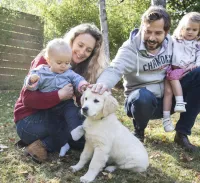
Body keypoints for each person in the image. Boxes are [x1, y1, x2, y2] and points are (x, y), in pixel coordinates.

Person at [91, 6, 200, 152]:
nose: (152, 37)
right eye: (148, 31)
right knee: (143, 96)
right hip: (141, 104)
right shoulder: (130, 48)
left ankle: (182, 134)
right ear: (142, 27)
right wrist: (102, 84)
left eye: (158, 33)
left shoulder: (173, 43)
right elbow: (114, 68)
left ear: (166, 32)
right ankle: (138, 131)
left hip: (169, 99)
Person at [14, 23, 108, 163]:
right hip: (29, 121)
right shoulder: (46, 60)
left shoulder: (78, 68)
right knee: (77, 125)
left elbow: (80, 101)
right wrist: (59, 95)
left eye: (88, 50)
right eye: (80, 45)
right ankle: (44, 144)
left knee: (84, 125)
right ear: (71, 41)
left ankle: (50, 142)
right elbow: (27, 99)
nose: (82, 52)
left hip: (53, 117)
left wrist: (91, 91)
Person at [24, 38, 89, 157]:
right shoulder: (41, 72)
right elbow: (30, 88)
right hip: (49, 107)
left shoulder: (68, 72)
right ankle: (63, 144)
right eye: (59, 63)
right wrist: (31, 81)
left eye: (67, 63)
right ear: (48, 60)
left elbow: (77, 79)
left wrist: (83, 85)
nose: (64, 66)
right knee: (52, 125)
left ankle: (76, 129)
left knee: (72, 113)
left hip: (66, 104)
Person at [162, 12, 200, 132]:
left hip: (188, 73)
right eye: (187, 28)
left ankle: (180, 103)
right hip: (173, 70)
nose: (190, 32)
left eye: (194, 29)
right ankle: (166, 119)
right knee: (168, 92)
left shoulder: (198, 44)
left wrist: (196, 65)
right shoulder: (174, 40)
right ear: (181, 28)